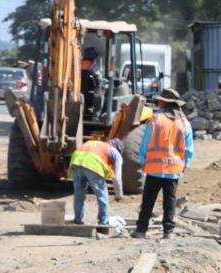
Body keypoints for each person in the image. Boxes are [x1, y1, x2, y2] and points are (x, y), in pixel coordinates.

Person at [134, 90, 193, 238]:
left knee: (148, 201)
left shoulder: (155, 120)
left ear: (164, 102)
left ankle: (141, 230)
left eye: (160, 101)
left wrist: (143, 162)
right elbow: (189, 149)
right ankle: (168, 232)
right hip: (173, 170)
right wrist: (185, 165)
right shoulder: (185, 123)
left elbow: (145, 145)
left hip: (154, 169)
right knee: (170, 201)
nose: (158, 103)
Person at [68, 138, 124, 226]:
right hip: (92, 163)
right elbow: (117, 177)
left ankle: (78, 219)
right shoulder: (115, 152)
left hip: (76, 160)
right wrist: (118, 194)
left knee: (79, 194)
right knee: (102, 193)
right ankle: (103, 220)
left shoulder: (98, 144)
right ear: (119, 149)